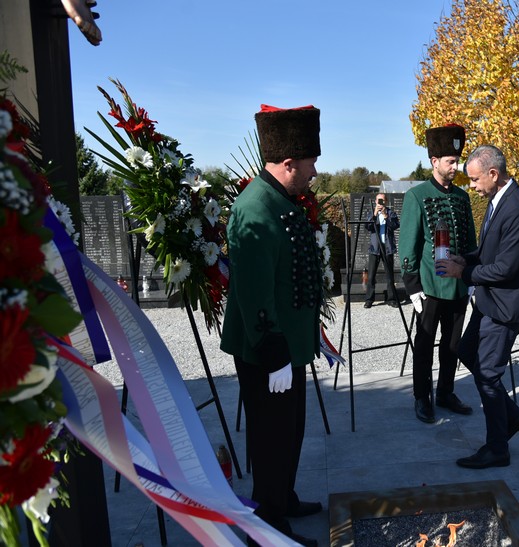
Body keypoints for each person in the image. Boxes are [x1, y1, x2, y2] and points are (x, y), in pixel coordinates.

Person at [220, 105, 323, 547]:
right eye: (310, 163)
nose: (314, 172)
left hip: (288, 344)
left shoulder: (279, 199)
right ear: (288, 164)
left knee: (291, 429)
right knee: (271, 438)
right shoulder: (256, 208)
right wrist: (274, 349)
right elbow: (254, 289)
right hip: (269, 348)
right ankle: (270, 524)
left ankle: (283, 496)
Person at [436, 145, 519, 469]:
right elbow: (488, 251)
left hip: (507, 305)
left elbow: (506, 268)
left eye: (475, 179)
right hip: (490, 300)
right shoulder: (498, 201)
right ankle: (514, 417)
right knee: (467, 352)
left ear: (493, 174)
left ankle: (497, 448)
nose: (472, 185)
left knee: (489, 375)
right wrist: (464, 258)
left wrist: (462, 273)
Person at [398, 124, 477, 424]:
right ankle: (422, 396)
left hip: (457, 285)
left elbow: (470, 239)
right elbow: (409, 243)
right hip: (430, 286)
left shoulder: (462, 197)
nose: (456, 166)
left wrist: (470, 275)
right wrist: (412, 284)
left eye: (457, 161)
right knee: (425, 343)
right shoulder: (417, 196)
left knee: (452, 344)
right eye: (450, 161)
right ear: (434, 162)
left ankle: (445, 391)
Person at [363, 193, 400, 308]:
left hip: (387, 247)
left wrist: (385, 215)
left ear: (386, 202)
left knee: (389, 275)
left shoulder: (390, 213)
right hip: (375, 248)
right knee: (372, 275)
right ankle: (369, 299)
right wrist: (375, 214)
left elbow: (395, 226)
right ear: (375, 201)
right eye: (378, 200)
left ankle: (391, 299)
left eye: (382, 201)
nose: (380, 203)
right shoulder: (371, 213)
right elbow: (367, 226)